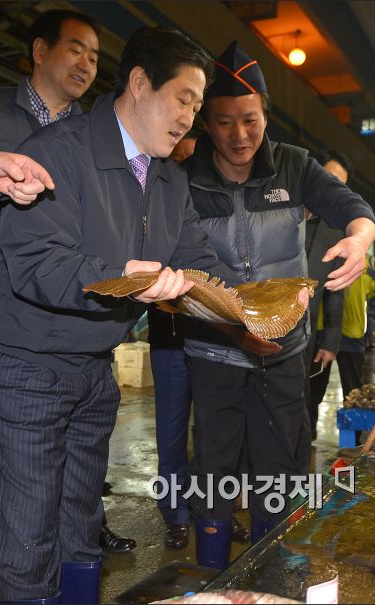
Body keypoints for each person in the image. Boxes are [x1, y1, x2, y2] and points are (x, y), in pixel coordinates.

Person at [0, 26, 243, 604]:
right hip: (28, 369)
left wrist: (253, 305)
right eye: (183, 98)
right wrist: (126, 278)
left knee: (81, 527)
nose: (190, 117)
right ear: (138, 83)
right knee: (28, 534)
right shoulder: (58, 151)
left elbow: (199, 265)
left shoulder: (167, 179)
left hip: (93, 369)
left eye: (197, 107)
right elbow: (34, 262)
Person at [183, 41, 375, 570]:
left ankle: (271, 571)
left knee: (278, 467)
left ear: (266, 114)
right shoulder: (185, 176)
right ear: (205, 120)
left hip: (283, 350)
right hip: (215, 351)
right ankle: (214, 576)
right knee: (215, 467)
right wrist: (231, 327)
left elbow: (352, 207)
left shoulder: (293, 166)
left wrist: (359, 239)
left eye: (250, 120)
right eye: (224, 122)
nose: (239, 135)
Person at [0, 8, 136, 556]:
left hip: (75, 322)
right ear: (38, 50)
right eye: (75, 48)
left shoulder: (95, 138)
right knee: (21, 486)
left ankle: (77, 543)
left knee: (72, 485)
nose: (86, 63)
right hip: (10, 321)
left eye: (95, 57)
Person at [148, 127, 251, 550]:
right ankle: (174, 513)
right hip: (170, 338)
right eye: (177, 158)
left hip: (215, 338)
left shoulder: (220, 206)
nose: (184, 165)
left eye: (192, 156)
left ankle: (216, 510)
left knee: (214, 434)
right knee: (171, 429)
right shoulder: (155, 200)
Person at [305, 151, 353, 440]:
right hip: (260, 326)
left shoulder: (335, 231)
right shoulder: (282, 208)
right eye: (331, 178)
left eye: (342, 185)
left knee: (303, 402)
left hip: (306, 336)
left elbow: (335, 289)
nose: (335, 189)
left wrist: (330, 342)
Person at [336, 254, 375, 401]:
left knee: (352, 391)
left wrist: (367, 326)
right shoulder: (322, 251)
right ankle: (308, 424)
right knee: (311, 392)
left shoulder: (371, 264)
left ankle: (354, 422)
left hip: (352, 333)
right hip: (319, 333)